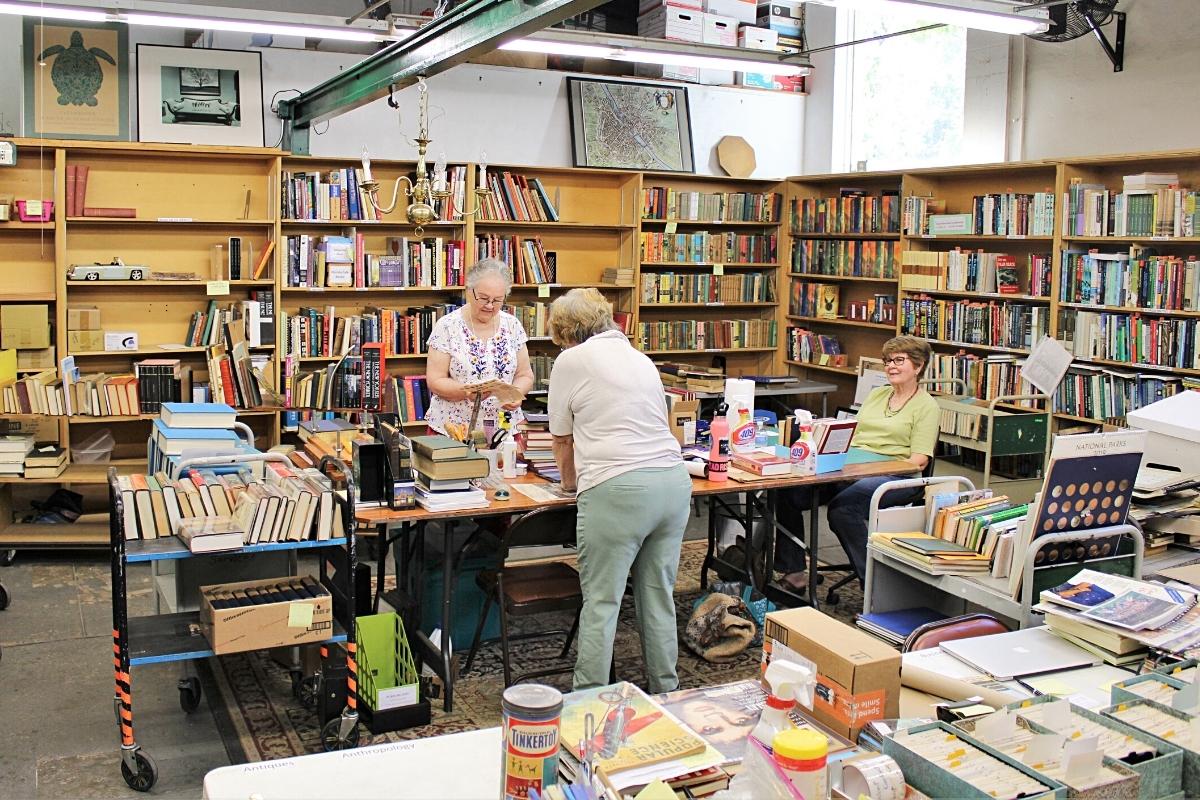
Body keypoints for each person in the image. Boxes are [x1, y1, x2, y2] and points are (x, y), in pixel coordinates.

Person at [547, 288, 692, 693]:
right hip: (672, 482)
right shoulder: (640, 357)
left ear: (566, 330)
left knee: (602, 602)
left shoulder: (571, 360)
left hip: (617, 487)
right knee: (658, 595)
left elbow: (561, 439)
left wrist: (569, 485)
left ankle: (588, 699)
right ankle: (667, 689)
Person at [775, 335, 939, 590]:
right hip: (852, 467)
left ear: (918, 366)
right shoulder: (877, 395)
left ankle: (875, 588)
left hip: (897, 476)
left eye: (899, 360)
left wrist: (867, 469)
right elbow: (852, 435)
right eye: (887, 361)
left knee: (843, 509)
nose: (891, 366)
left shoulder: (927, 406)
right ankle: (794, 571)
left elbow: (918, 461)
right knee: (788, 491)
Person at [425, 259, 535, 437]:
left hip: (503, 427)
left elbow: (525, 375)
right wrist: (467, 392)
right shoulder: (447, 326)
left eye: (497, 300)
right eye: (483, 298)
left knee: (504, 464)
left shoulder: (512, 325)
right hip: (455, 430)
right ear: (469, 291)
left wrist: (517, 394)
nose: (490, 306)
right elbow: (435, 380)